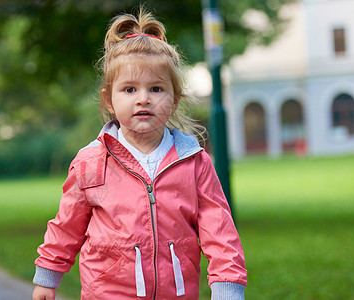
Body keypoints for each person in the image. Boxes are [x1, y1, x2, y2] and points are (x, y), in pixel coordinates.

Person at [32, 8, 247, 300]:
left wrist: (227, 287)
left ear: (174, 100)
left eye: (156, 89)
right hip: (107, 294)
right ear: (109, 100)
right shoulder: (91, 162)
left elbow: (219, 229)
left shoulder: (194, 161)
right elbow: (66, 225)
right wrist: (47, 277)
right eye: (130, 89)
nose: (143, 98)